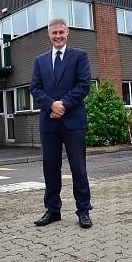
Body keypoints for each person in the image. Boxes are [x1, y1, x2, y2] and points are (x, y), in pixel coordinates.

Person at [30, 18, 93, 229]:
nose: (58, 36)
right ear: (49, 35)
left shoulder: (79, 56)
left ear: (68, 33)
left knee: (78, 168)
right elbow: (35, 88)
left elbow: (84, 85)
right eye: (54, 33)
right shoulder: (40, 61)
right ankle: (53, 210)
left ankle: (83, 211)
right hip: (49, 123)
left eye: (61, 32)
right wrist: (51, 105)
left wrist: (63, 105)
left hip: (73, 121)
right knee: (50, 168)